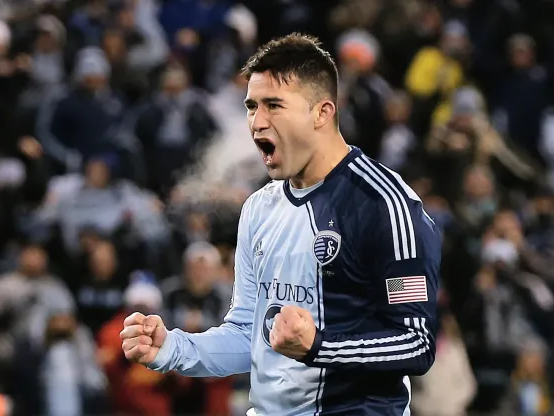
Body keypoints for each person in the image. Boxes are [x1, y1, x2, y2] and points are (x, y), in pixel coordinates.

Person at [121, 33, 441, 416]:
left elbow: (415, 343)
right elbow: (248, 335)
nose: (257, 122)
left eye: (274, 105)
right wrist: (173, 349)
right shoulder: (259, 208)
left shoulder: (385, 205)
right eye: (251, 106)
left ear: (322, 112)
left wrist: (319, 346)